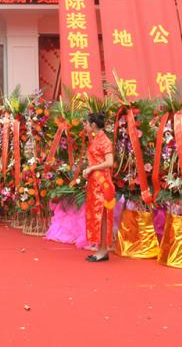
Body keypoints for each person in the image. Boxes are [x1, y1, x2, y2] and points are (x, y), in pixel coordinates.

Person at [82, 112, 116, 263]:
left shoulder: (105, 141)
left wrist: (91, 168)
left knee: (102, 216)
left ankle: (103, 251)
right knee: (97, 216)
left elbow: (109, 162)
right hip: (94, 184)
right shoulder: (96, 139)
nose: (84, 126)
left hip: (102, 184)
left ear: (93, 125)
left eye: (86, 123)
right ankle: (101, 249)